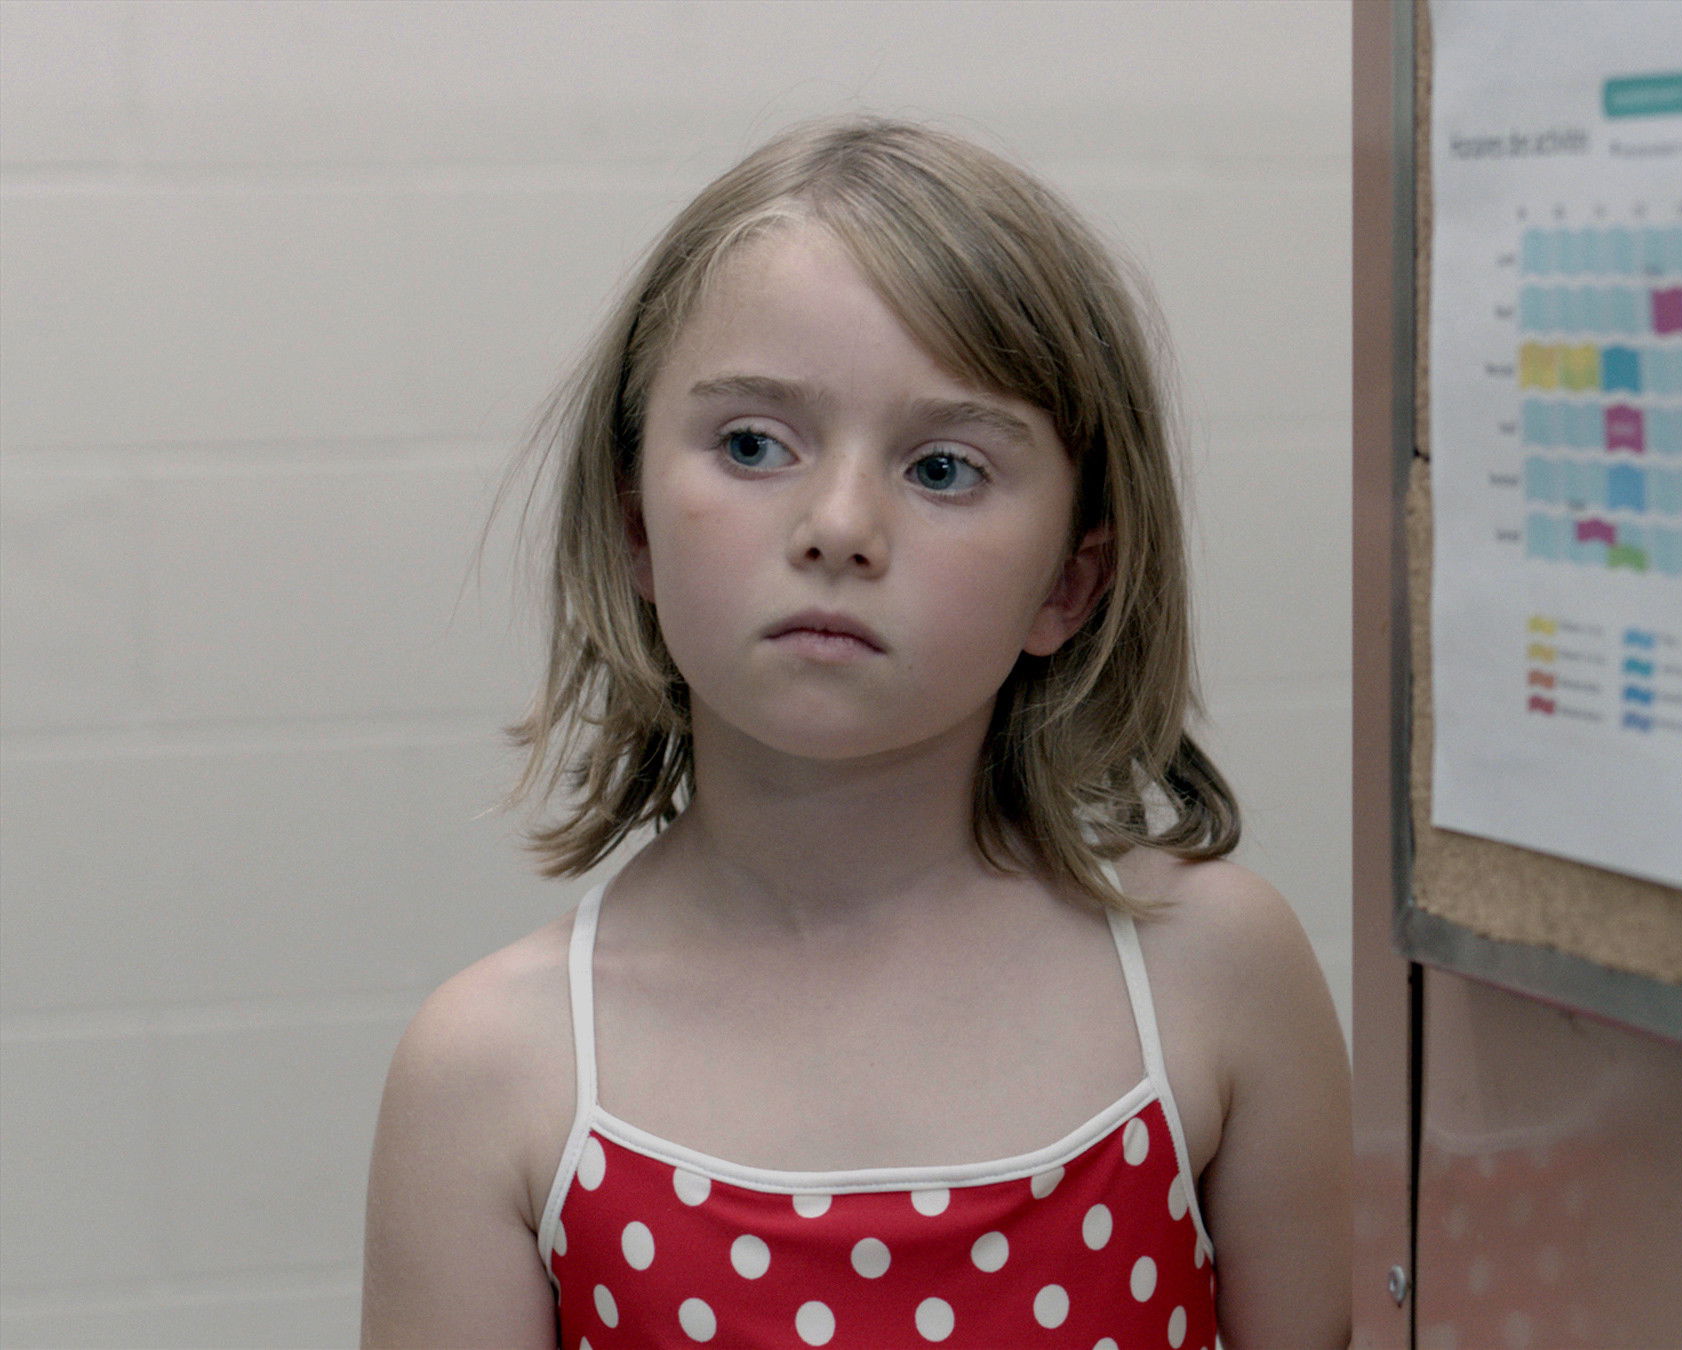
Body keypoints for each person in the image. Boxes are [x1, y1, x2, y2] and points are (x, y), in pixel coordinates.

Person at [360, 118, 1351, 1348]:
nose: (838, 525)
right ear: (634, 529)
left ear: (1070, 582)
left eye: (943, 469)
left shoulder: (1216, 974)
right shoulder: (494, 1075)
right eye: (753, 445)